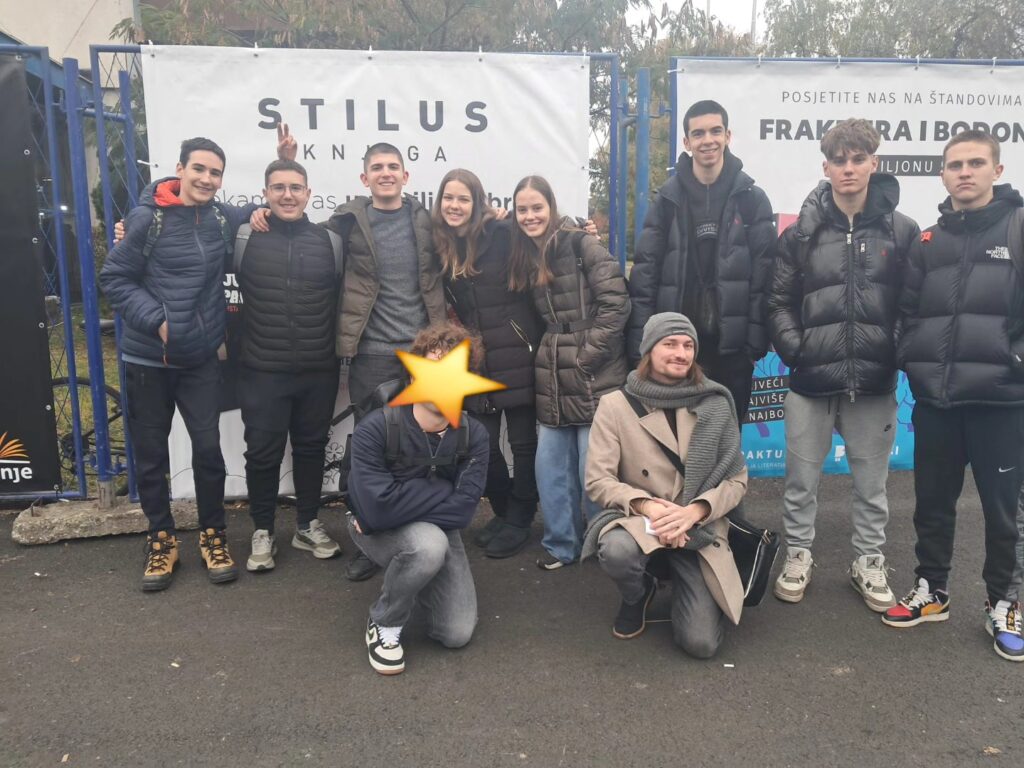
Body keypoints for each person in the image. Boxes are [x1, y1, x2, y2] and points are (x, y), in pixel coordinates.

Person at [270, 129, 447, 582]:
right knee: (375, 451)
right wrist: (272, 185)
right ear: (364, 178)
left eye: (393, 167)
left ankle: (426, 536)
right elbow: (296, 228)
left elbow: (475, 228)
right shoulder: (347, 222)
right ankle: (372, 542)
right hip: (371, 355)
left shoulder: (427, 221)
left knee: (424, 447)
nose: (385, 174)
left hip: (425, 355)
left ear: (406, 175)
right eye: (377, 168)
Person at [882, 129, 1024, 662]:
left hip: (1001, 403)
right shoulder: (928, 241)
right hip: (937, 401)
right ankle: (932, 591)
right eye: (955, 165)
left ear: (997, 170)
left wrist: (1015, 361)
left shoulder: (1018, 227)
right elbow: (907, 312)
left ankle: (1005, 603)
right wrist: (913, 360)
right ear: (942, 174)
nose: (965, 172)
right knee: (933, 504)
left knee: (1004, 513)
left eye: (975, 163)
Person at [767, 119, 919, 611]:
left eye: (858, 159)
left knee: (873, 486)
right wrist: (798, 350)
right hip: (811, 380)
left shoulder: (901, 230)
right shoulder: (802, 232)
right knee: (800, 481)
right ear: (825, 166)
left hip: (873, 381)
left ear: (875, 162)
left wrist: (891, 351)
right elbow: (778, 300)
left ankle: (868, 560)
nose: (848, 168)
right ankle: (798, 555)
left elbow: (911, 305)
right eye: (839, 160)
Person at [99, 137, 256, 591]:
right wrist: (157, 321)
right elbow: (115, 278)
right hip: (148, 359)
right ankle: (161, 539)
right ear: (180, 169)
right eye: (199, 169)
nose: (206, 179)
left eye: (215, 172)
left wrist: (275, 183)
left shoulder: (221, 218)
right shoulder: (146, 219)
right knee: (151, 456)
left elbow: (256, 210)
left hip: (200, 359)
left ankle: (213, 535)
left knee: (208, 451)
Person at [584, 313, 747, 657]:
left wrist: (696, 511)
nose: (681, 353)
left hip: (698, 524)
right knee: (616, 550)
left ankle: (685, 583)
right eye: (670, 344)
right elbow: (598, 480)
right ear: (649, 350)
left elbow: (736, 479)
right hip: (644, 520)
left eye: (688, 345)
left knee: (701, 644)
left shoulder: (715, 402)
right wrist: (648, 507)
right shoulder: (615, 406)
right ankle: (638, 592)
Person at [346, 322, 489, 675]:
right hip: (372, 529)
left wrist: (399, 499)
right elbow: (375, 511)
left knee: (456, 633)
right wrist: (441, 490)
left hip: (437, 527)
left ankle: (418, 572)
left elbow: (463, 513)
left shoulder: (474, 435)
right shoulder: (376, 427)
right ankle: (385, 621)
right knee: (428, 546)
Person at [626, 100, 776, 425]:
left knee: (726, 441)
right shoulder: (667, 200)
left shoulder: (752, 199)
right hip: (677, 349)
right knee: (674, 442)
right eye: (698, 133)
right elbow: (646, 275)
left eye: (715, 131)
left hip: (733, 351)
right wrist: (642, 345)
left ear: (727, 136)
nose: (708, 140)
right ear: (686, 142)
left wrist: (752, 345)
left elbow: (765, 278)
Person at [507, 175, 630, 569]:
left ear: (552, 207)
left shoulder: (582, 244)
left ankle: (602, 544)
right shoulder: (525, 252)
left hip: (594, 372)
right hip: (552, 371)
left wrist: (586, 357)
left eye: (537, 207)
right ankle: (562, 545)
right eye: (522, 210)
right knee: (551, 468)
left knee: (593, 467)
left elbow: (617, 304)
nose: (530, 216)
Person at [234, 159, 343, 572]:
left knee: (311, 449)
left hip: (318, 369)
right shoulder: (246, 236)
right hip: (262, 369)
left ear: (308, 194)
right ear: (265, 194)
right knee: (262, 454)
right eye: (278, 188)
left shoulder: (330, 242)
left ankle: (307, 524)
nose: (287, 195)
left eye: (296, 188)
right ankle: (262, 530)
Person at [433, 169, 543, 558]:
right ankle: (505, 509)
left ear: (478, 203)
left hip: (518, 351)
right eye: (448, 198)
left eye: (463, 198)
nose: (455, 205)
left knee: (523, 444)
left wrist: (585, 228)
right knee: (481, 444)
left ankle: (521, 518)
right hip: (478, 359)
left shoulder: (502, 232)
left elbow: (544, 233)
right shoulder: (444, 243)